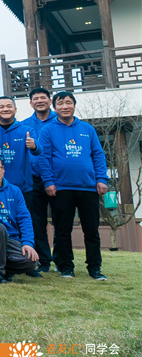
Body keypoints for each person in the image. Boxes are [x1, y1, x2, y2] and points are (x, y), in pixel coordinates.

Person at [40, 91, 109, 281]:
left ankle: (94, 268)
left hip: (88, 187)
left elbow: (98, 155)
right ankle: (66, 267)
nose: (65, 106)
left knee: (91, 230)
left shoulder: (87, 128)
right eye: (61, 103)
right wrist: (49, 181)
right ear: (54, 107)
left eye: (68, 102)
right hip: (61, 188)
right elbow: (44, 158)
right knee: (63, 230)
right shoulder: (47, 130)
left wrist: (102, 179)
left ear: (74, 105)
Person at [0, 155, 39, 283]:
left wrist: (27, 243)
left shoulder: (15, 191)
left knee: (31, 262)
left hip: (10, 239)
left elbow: (24, 218)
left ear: (3, 169)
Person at [21, 86, 58, 273]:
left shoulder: (60, 121)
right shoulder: (25, 125)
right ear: (31, 103)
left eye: (43, 98)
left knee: (60, 221)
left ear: (50, 101)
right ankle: (43, 260)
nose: (40, 101)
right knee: (37, 221)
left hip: (57, 179)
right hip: (34, 180)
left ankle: (62, 260)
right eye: (36, 99)